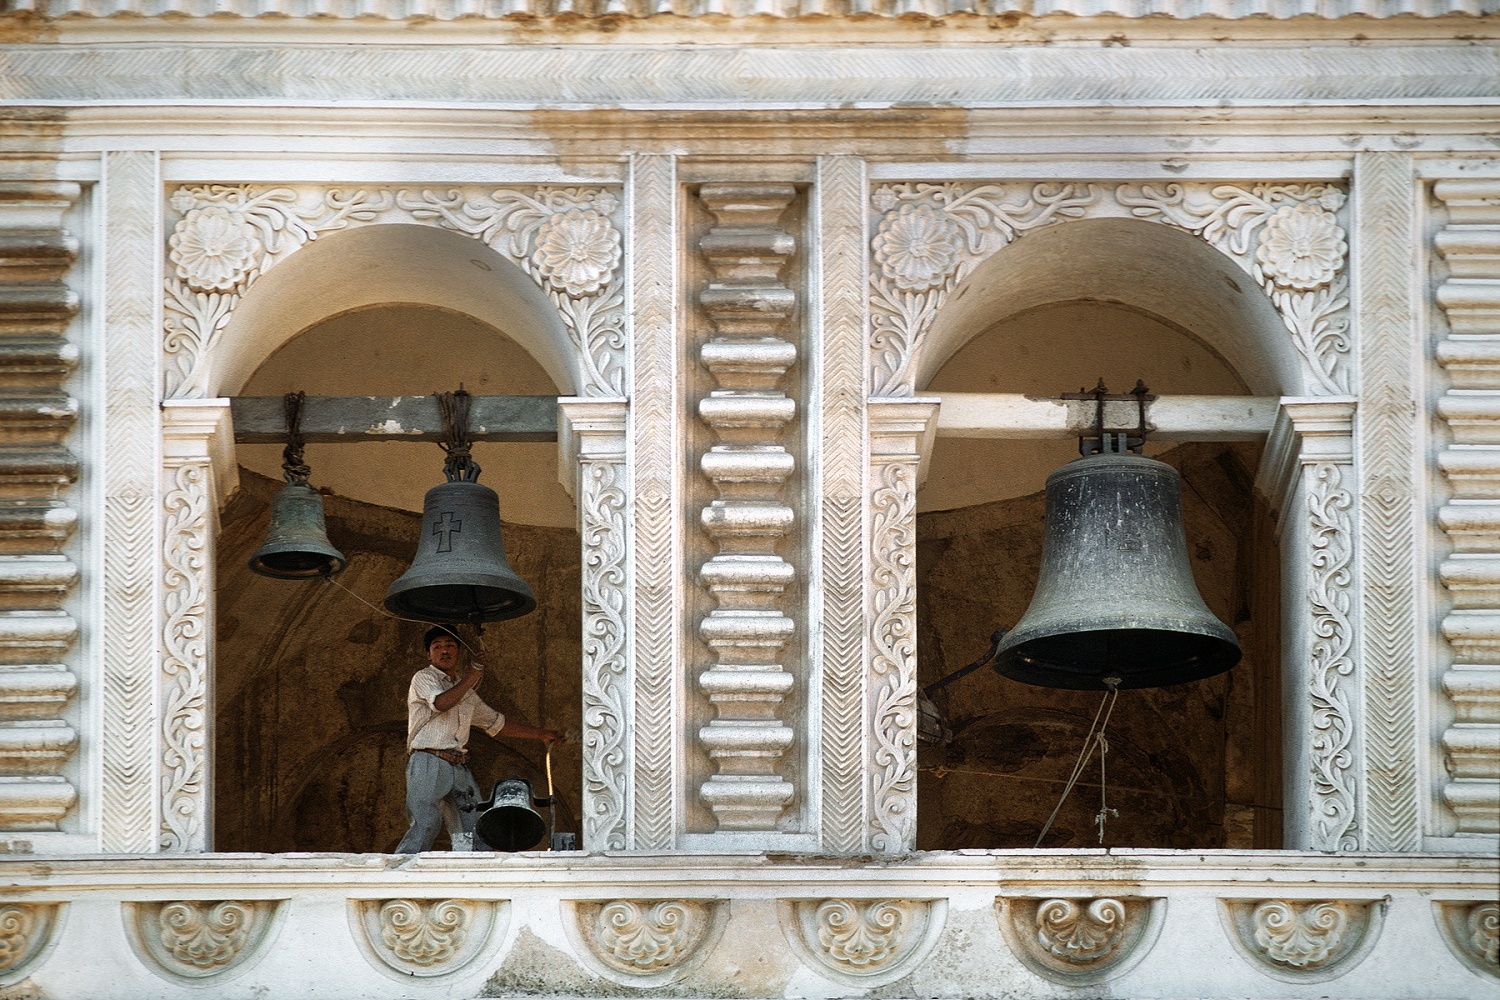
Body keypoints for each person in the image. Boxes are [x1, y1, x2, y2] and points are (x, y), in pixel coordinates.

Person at [396, 624, 562, 853]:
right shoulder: (423, 678)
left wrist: (542, 734)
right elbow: (441, 703)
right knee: (426, 824)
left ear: (459, 652)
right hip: (428, 760)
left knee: (473, 828)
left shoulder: (466, 694)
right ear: (429, 654)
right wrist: (473, 674)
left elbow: (497, 723)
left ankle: (469, 871)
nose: (444, 651)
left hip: (457, 765)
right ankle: (403, 871)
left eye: (450, 646)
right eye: (437, 647)